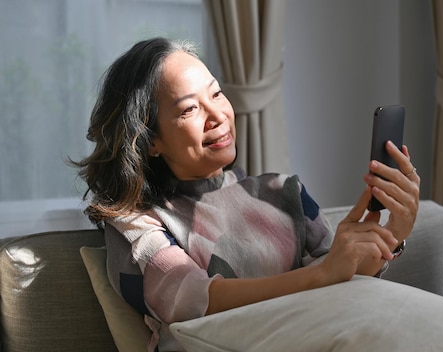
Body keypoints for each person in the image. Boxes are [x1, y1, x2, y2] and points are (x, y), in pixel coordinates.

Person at [72, 37, 420, 351]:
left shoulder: (285, 191)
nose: (217, 116)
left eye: (217, 93)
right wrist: (322, 273)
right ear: (151, 142)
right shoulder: (136, 223)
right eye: (189, 109)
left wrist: (392, 234)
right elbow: (192, 299)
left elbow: (341, 285)